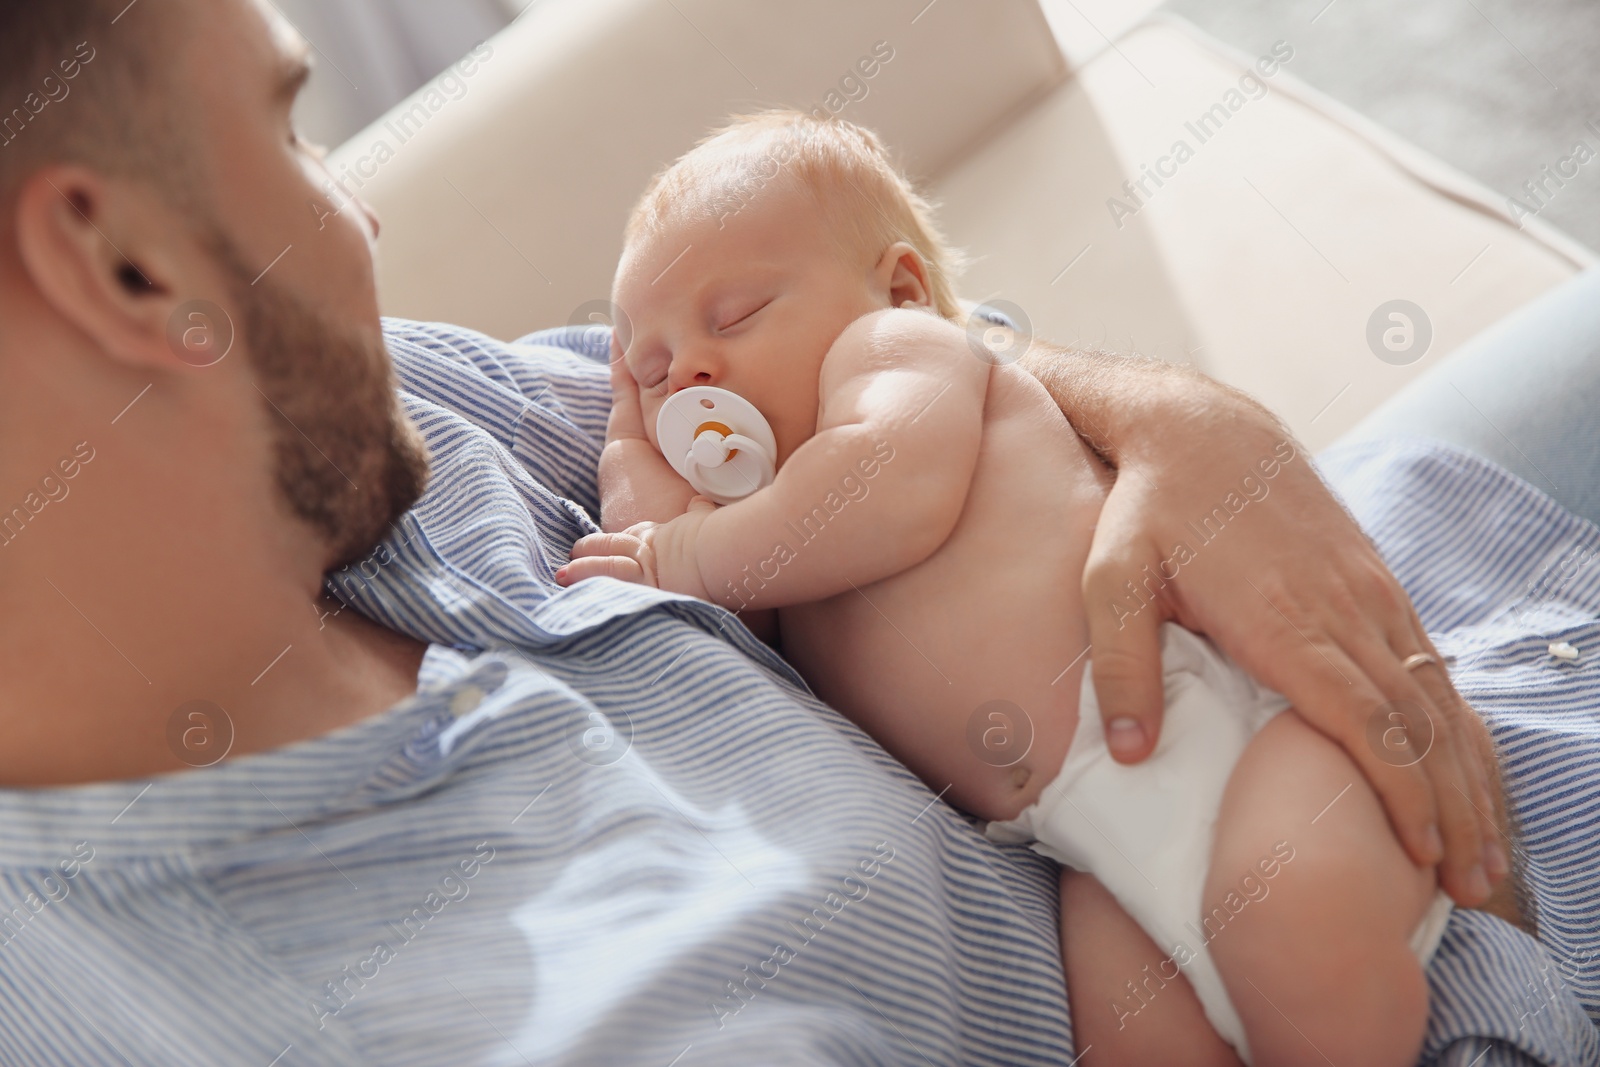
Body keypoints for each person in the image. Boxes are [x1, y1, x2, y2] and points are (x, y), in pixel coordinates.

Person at [0, 1, 1575, 1064]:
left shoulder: (384, 424)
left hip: (1452, 576)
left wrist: (1179, 427)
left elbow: (903, 376)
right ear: (124, 265)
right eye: (292, 139)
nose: (362, 216)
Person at [555, 112, 1473, 1065]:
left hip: (1239, 725)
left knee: (1292, 926)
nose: (691, 373)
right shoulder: (764, 542)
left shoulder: (901, 353)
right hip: (1087, 847)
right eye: (653, 370)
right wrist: (635, 451)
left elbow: (885, 487)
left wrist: (680, 552)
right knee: (1127, 1039)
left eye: (734, 315)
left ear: (899, 286)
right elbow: (676, 573)